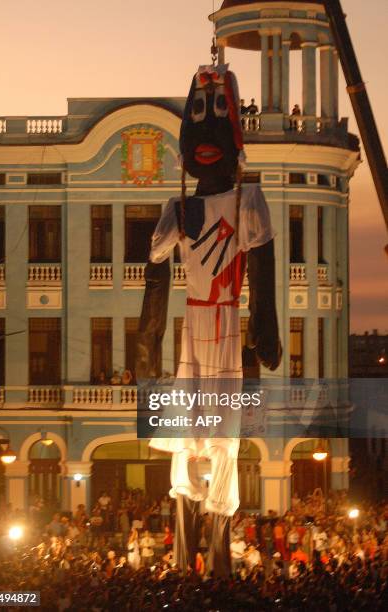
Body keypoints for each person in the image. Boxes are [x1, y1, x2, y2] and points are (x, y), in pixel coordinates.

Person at [136, 63, 281, 577]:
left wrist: (266, 328)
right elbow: (156, 272)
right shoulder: (178, 207)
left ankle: (216, 552)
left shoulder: (246, 199)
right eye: (198, 112)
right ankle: (185, 547)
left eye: (216, 111)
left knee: (220, 436)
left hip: (223, 320)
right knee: (184, 432)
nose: (205, 130)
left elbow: (262, 266)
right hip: (193, 324)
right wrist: (147, 341)